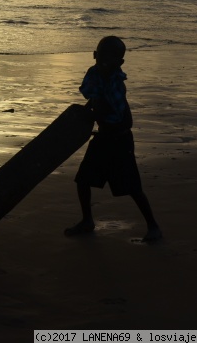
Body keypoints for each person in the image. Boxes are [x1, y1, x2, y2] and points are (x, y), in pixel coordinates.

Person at [65, 36, 162, 242]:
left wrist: (91, 114)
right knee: (83, 180)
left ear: (119, 62)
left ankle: (153, 226)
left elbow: (112, 111)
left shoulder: (117, 81)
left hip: (120, 139)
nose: (103, 62)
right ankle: (87, 221)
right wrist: (86, 112)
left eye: (110, 58)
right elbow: (91, 95)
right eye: (100, 56)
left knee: (133, 187)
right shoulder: (94, 72)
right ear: (95, 55)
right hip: (103, 137)